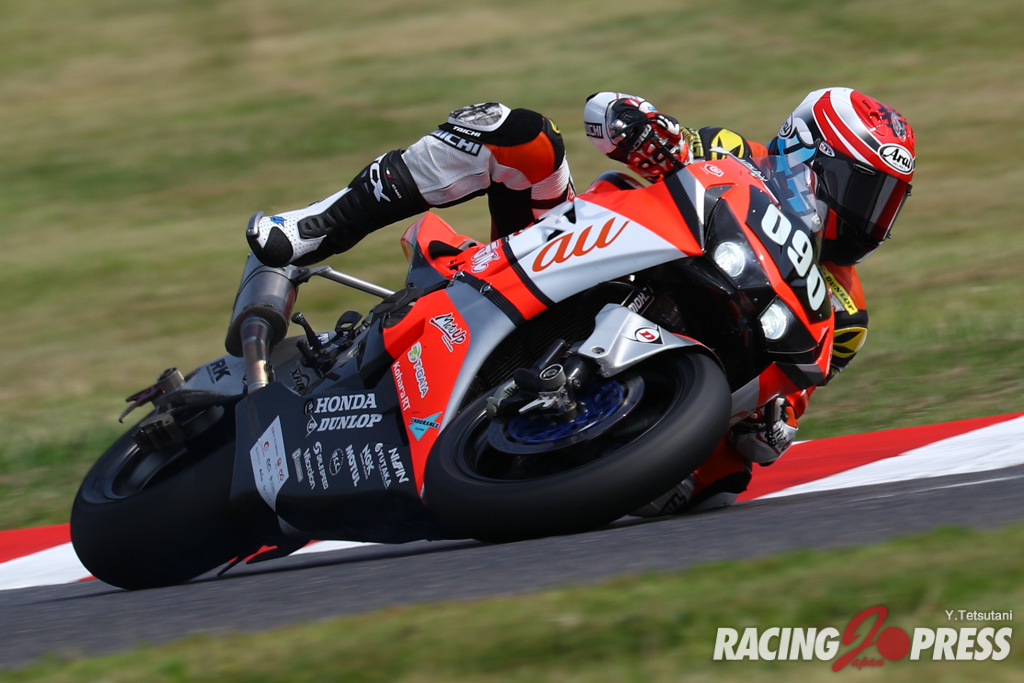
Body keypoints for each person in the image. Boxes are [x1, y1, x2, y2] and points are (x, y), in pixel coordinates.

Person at [247, 88, 916, 514]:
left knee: (712, 490)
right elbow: (614, 116)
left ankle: (561, 449)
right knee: (519, 135)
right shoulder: (731, 151)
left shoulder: (846, 311)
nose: (871, 219)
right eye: (864, 192)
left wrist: (772, 426)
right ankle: (311, 229)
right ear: (807, 155)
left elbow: (789, 393)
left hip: (668, 367)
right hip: (569, 251)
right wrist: (637, 125)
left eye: (887, 203)